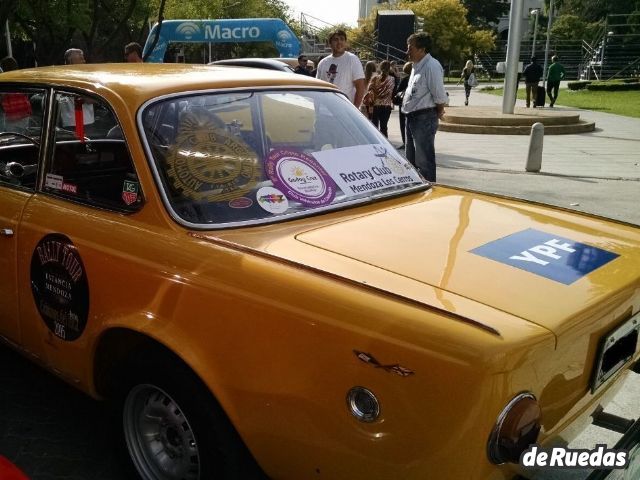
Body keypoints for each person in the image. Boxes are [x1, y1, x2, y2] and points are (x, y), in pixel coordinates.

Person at [401, 32, 447, 183]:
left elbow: (439, 95)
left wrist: (439, 111)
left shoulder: (431, 66)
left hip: (424, 118)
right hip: (411, 117)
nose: (407, 52)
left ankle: (429, 191)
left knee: (424, 161)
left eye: (411, 48)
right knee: (411, 160)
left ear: (422, 49)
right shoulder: (416, 66)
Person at [315, 29, 365, 107]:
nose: (339, 42)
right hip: (326, 110)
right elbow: (318, 89)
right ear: (330, 43)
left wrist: (355, 110)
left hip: (345, 111)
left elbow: (360, 87)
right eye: (336, 39)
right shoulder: (323, 63)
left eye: (342, 39)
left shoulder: (352, 59)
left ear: (345, 42)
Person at [0, 57, 32, 133]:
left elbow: (2, 96)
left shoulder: (5, 81)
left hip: (12, 114)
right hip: (24, 112)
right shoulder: (21, 78)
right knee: (24, 138)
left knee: (13, 139)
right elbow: (27, 94)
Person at [367, 60, 395, 137]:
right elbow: (391, 92)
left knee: (375, 127)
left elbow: (369, 90)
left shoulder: (374, 78)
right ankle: (385, 144)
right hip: (386, 106)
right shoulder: (392, 79)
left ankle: (375, 143)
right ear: (389, 68)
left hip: (375, 105)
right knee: (384, 127)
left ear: (380, 67)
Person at [394, 62, 412, 149]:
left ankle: (405, 142)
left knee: (403, 124)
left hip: (403, 105)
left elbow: (398, 91)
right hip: (412, 105)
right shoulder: (415, 78)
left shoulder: (405, 79)